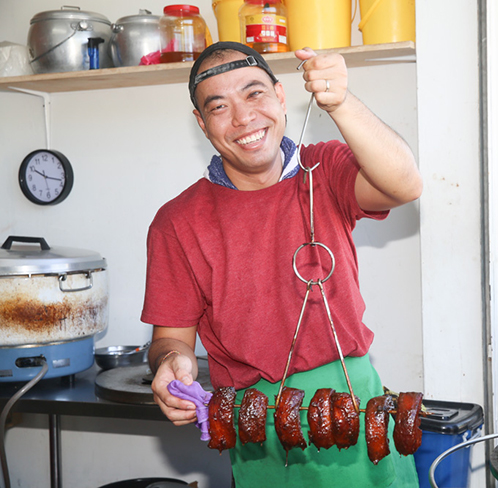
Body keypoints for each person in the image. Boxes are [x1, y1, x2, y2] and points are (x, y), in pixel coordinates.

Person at [142, 41, 422, 487]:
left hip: (350, 399)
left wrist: (341, 102)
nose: (243, 118)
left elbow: (405, 184)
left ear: (280, 97)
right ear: (202, 123)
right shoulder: (177, 222)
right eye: (219, 106)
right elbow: (170, 338)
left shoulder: (323, 169)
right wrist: (171, 362)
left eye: (254, 94)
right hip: (255, 423)